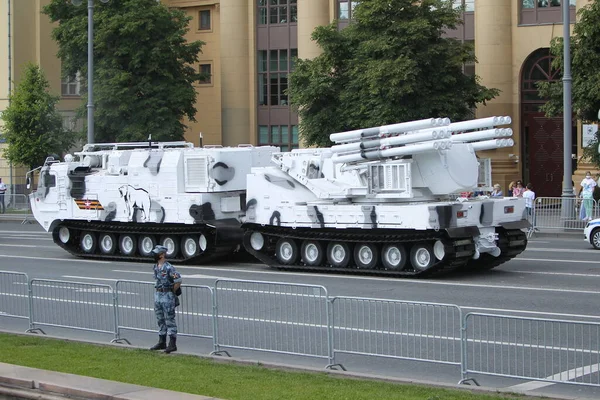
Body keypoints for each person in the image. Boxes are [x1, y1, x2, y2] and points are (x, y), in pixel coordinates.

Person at [150, 245, 182, 354]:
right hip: (158, 295)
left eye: (156, 253)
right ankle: (162, 341)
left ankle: (172, 344)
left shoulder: (169, 267)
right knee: (160, 319)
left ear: (162, 254)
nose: (154, 255)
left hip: (167, 295)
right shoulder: (155, 267)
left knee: (169, 320)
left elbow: (178, 280)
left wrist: (171, 291)